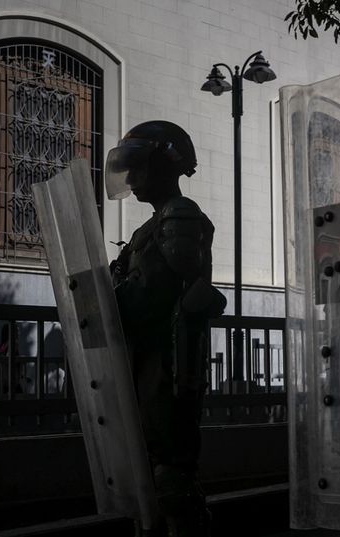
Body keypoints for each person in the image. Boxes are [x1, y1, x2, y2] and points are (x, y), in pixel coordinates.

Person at [106, 120, 226, 537]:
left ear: (167, 165)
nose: (133, 180)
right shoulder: (150, 225)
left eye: (140, 168)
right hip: (146, 358)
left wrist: (108, 300)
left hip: (168, 362)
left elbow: (154, 291)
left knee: (169, 466)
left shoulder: (179, 215)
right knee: (149, 461)